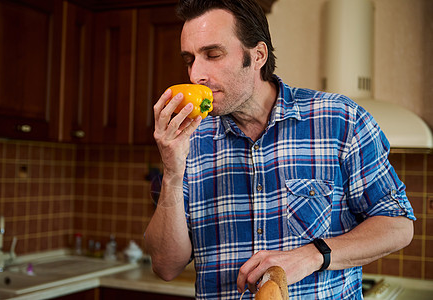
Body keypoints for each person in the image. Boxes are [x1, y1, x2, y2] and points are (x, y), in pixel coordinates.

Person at [144, 0, 415, 299]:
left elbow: (398, 226)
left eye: (212, 54)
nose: (196, 74)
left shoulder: (340, 119)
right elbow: (165, 266)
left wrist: (313, 255)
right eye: (190, 59)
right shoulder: (189, 140)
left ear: (258, 55)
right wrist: (172, 171)